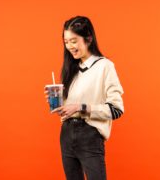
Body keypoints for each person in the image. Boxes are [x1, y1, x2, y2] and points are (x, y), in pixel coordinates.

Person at [44, 15, 124, 180]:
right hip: (66, 134)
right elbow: (69, 108)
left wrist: (81, 107)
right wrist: (58, 103)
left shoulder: (104, 66)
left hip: (90, 135)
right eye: (66, 42)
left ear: (88, 38)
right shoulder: (71, 69)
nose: (69, 46)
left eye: (74, 41)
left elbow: (116, 110)